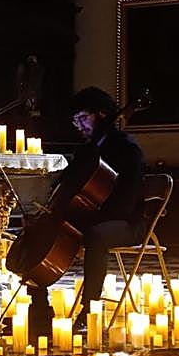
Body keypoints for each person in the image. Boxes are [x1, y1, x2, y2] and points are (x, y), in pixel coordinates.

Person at [27, 86, 145, 333]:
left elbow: (126, 202)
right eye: (75, 120)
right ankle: (39, 304)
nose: (78, 125)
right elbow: (68, 186)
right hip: (91, 217)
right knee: (42, 227)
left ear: (102, 114)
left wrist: (89, 216)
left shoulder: (127, 148)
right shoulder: (87, 149)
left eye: (83, 118)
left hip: (127, 223)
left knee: (96, 235)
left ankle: (89, 309)